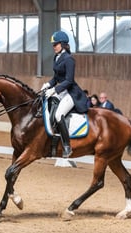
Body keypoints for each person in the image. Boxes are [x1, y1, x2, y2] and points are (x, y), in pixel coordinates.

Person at [40, 30, 88, 158]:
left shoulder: (69, 59)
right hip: (61, 90)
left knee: (59, 115)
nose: (53, 47)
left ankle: (67, 146)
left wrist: (55, 90)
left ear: (62, 44)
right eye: (53, 45)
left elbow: (69, 80)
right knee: (47, 105)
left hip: (71, 93)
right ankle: (53, 141)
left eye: (55, 44)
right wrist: (48, 84)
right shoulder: (57, 57)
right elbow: (56, 78)